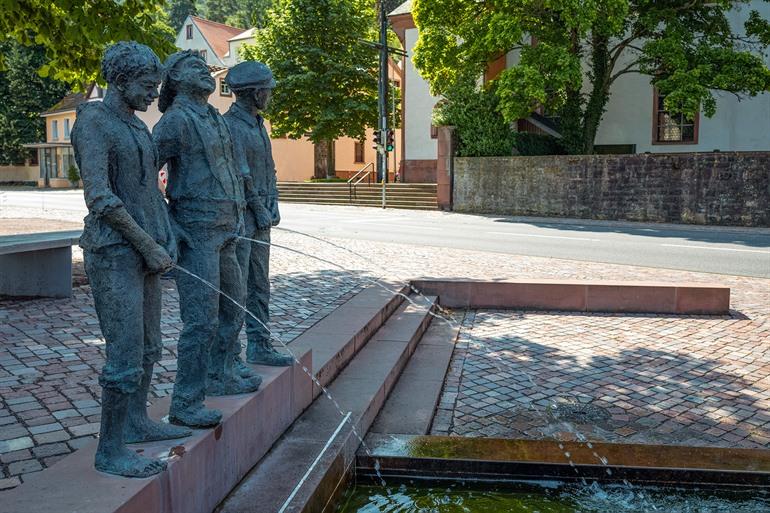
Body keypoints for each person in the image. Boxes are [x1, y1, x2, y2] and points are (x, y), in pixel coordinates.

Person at [71, 41, 190, 478]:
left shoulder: (138, 126)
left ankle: (136, 421)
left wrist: (167, 234)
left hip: (145, 250)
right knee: (123, 355)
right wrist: (147, 244)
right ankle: (110, 449)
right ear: (121, 81)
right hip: (113, 251)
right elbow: (101, 197)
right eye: (146, 85)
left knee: (150, 345)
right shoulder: (94, 122)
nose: (153, 94)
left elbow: (148, 191)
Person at [154, 50, 260, 429]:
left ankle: (220, 373)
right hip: (196, 230)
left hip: (227, 228)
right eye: (193, 67)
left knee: (234, 306)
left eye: (205, 67)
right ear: (175, 79)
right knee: (200, 320)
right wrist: (170, 224)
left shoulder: (214, 117)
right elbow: (143, 177)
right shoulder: (175, 121)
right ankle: (186, 401)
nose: (204, 71)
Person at [223, 61, 292, 369]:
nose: (270, 95)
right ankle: (230, 354)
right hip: (242, 217)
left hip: (262, 214)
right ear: (254, 93)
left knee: (260, 284)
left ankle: (260, 344)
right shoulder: (230, 126)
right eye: (267, 91)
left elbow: (268, 168)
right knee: (238, 287)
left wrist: (273, 202)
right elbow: (241, 173)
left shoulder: (258, 124)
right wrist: (259, 208)